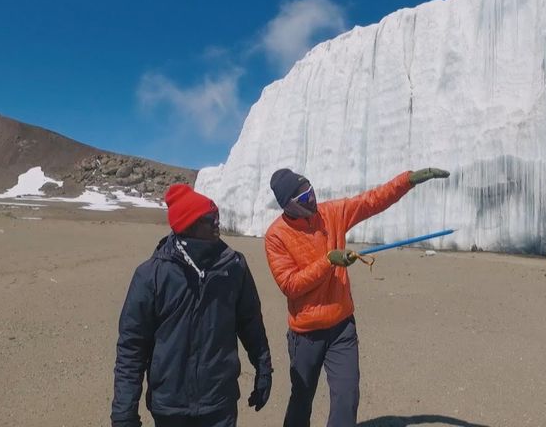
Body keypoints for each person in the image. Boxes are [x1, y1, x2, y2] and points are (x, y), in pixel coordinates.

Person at [265, 167, 450, 426]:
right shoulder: (276, 236)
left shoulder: (332, 213)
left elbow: (372, 200)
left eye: (311, 191)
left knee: (347, 397)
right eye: (304, 198)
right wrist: (328, 261)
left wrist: (408, 180)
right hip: (306, 334)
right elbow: (290, 284)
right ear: (288, 206)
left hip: (341, 326)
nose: (312, 200)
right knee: (302, 399)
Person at [111, 184, 272, 427]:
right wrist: (124, 414)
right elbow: (132, 347)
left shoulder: (234, 266)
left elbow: (250, 322)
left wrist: (263, 368)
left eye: (217, 216)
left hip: (219, 404)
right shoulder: (152, 275)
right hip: (170, 406)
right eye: (210, 218)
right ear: (190, 225)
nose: (218, 223)